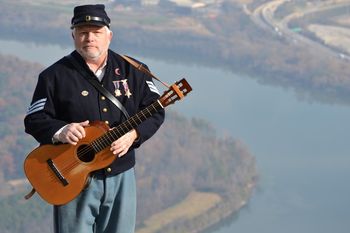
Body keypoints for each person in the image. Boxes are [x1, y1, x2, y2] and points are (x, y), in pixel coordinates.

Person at [24, 4, 165, 233]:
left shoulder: (135, 71)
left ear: (109, 36)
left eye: (96, 32)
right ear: (73, 36)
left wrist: (134, 135)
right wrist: (61, 130)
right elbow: (34, 119)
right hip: (72, 177)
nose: (89, 38)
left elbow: (156, 110)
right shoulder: (53, 76)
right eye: (83, 32)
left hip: (122, 175)